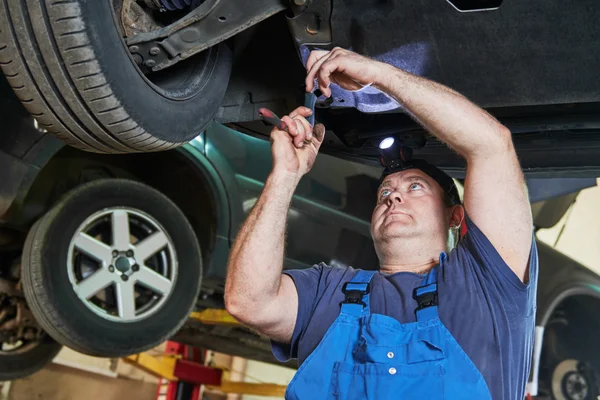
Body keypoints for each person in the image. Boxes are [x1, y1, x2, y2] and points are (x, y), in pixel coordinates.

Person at [224, 47, 538, 399]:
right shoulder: (331, 292)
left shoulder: (485, 284)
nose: (392, 196)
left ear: (455, 216)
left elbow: (492, 145)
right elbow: (248, 302)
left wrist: (381, 76)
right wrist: (285, 174)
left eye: (415, 187)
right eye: (384, 191)